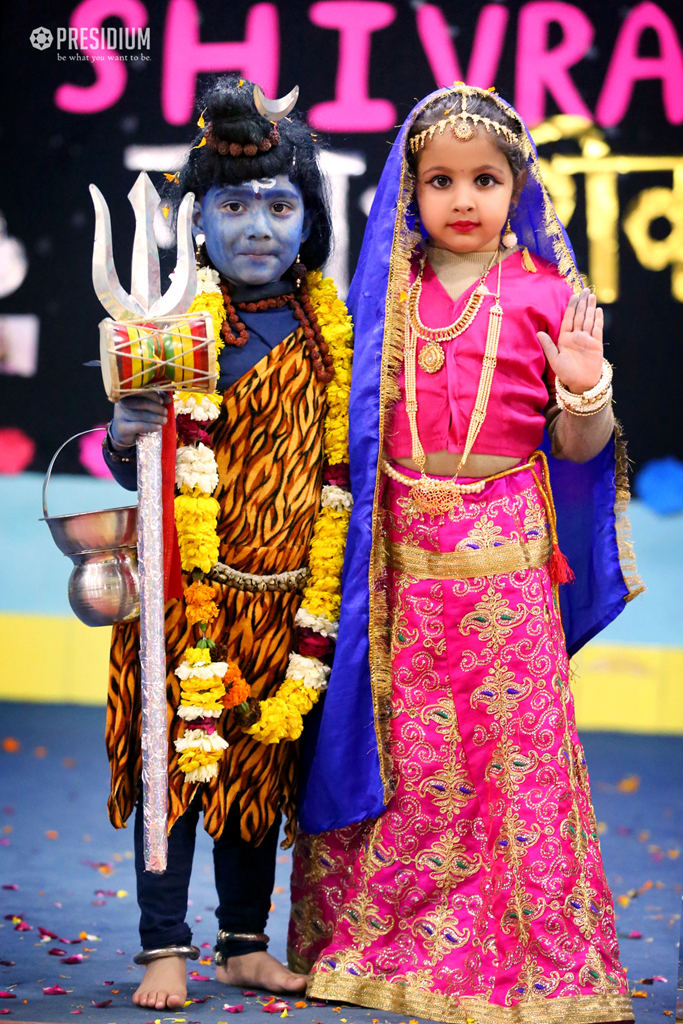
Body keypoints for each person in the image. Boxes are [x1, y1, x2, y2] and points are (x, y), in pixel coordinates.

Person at [287, 85, 642, 1024]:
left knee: (515, 762)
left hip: (509, 563)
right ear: (410, 190)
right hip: (398, 561)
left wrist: (583, 390)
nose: (462, 199)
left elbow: (577, 453)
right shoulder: (380, 297)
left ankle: (535, 957)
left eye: (484, 179)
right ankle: (380, 947)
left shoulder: (543, 293)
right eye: (439, 179)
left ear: (516, 188)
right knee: (407, 758)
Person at [102, 76, 352, 1010]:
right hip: (184, 595)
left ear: (309, 220)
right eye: (235, 203)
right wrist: (126, 429)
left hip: (290, 601)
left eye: (281, 206)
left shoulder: (340, 340)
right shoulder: (174, 322)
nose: (259, 225)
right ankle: (162, 944)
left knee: (255, 770)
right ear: (196, 217)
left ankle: (245, 942)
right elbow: (117, 448)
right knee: (173, 768)